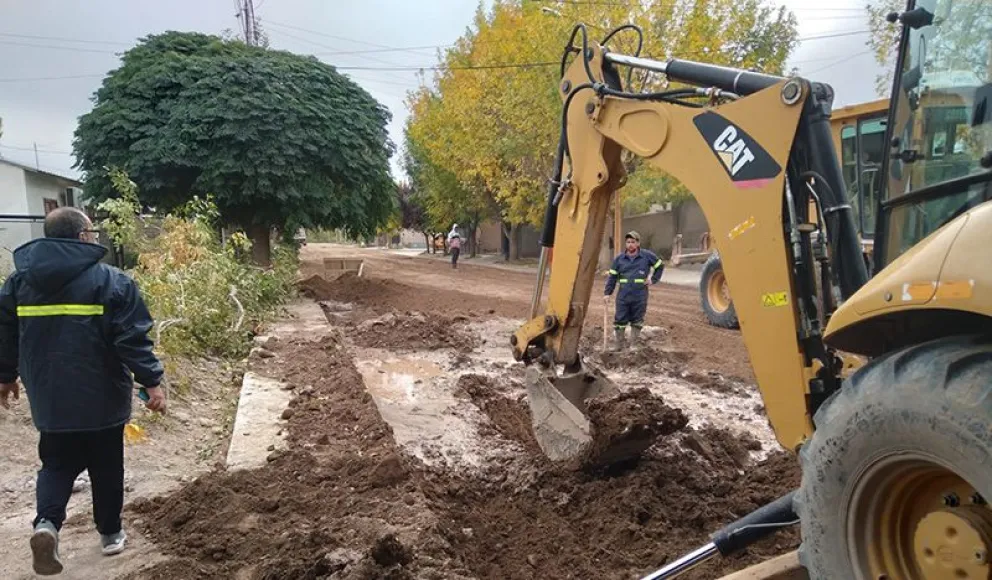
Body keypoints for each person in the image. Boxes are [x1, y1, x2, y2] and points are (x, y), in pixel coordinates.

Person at [0, 207, 165, 576]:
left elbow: (6, 333)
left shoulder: (18, 283)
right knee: (106, 465)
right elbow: (132, 340)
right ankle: (110, 534)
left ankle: (47, 524)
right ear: (82, 236)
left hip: (49, 396)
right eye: (91, 231)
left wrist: (6, 376)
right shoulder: (112, 282)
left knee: (56, 463)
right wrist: (152, 381)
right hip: (102, 396)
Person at [604, 231, 664, 349]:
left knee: (637, 319)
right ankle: (619, 344)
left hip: (640, 295)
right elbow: (612, 277)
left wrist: (653, 279)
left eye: (633, 242)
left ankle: (633, 344)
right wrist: (607, 293)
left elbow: (659, 266)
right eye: (628, 242)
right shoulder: (619, 259)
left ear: (638, 243)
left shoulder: (646, 256)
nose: (630, 244)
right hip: (623, 295)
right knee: (620, 320)